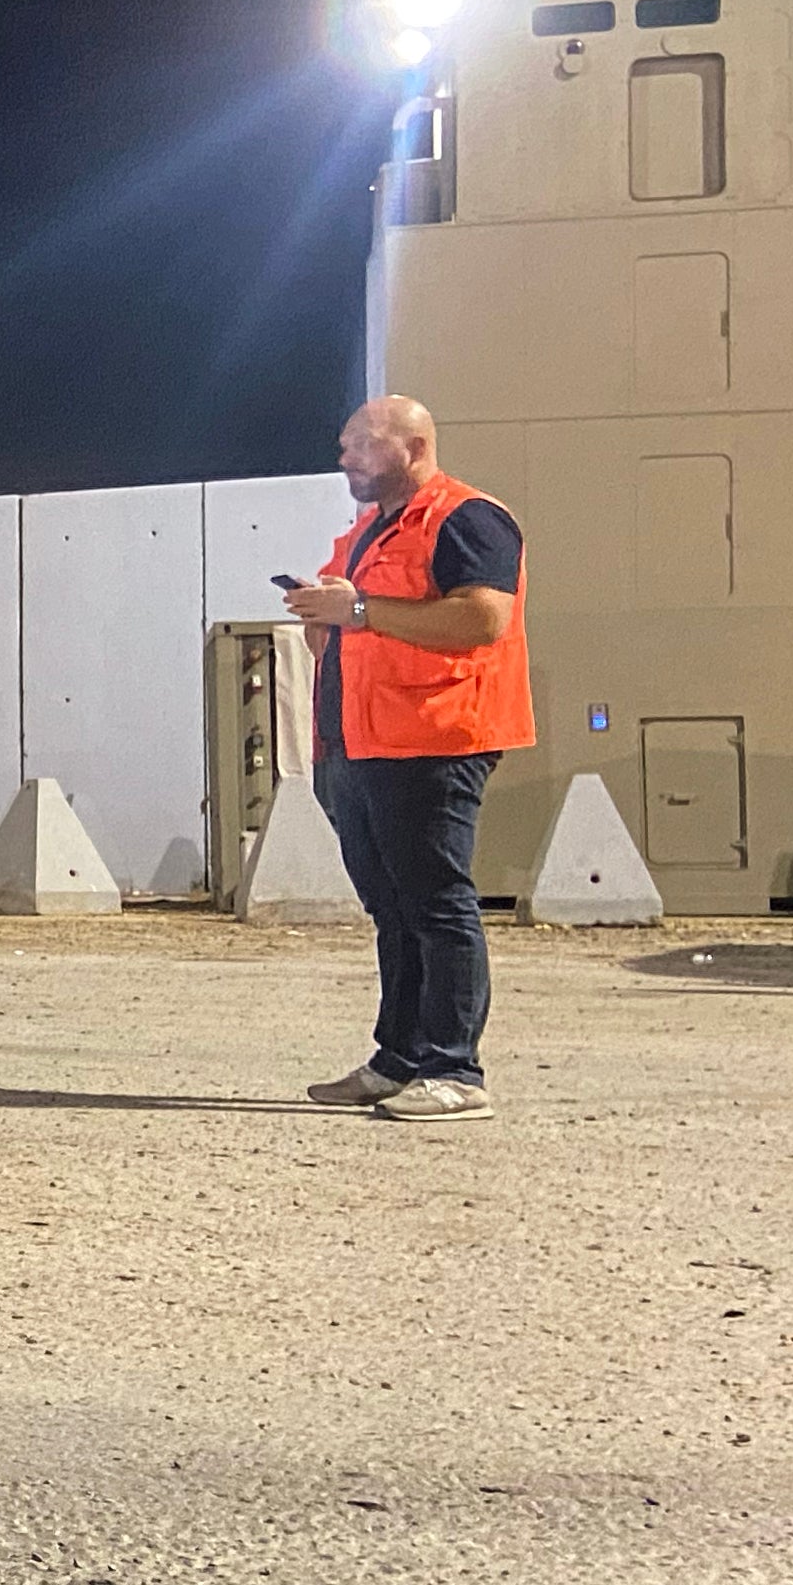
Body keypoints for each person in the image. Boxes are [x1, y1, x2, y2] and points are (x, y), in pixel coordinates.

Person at [285, 394, 532, 1123]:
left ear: (413, 446)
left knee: (437, 901)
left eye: (361, 442)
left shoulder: (467, 517)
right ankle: (399, 1059)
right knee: (393, 908)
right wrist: (323, 611)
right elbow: (337, 620)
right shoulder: (367, 530)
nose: (345, 456)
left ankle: (457, 1070)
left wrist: (358, 612)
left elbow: (484, 616)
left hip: (433, 739)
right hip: (358, 747)